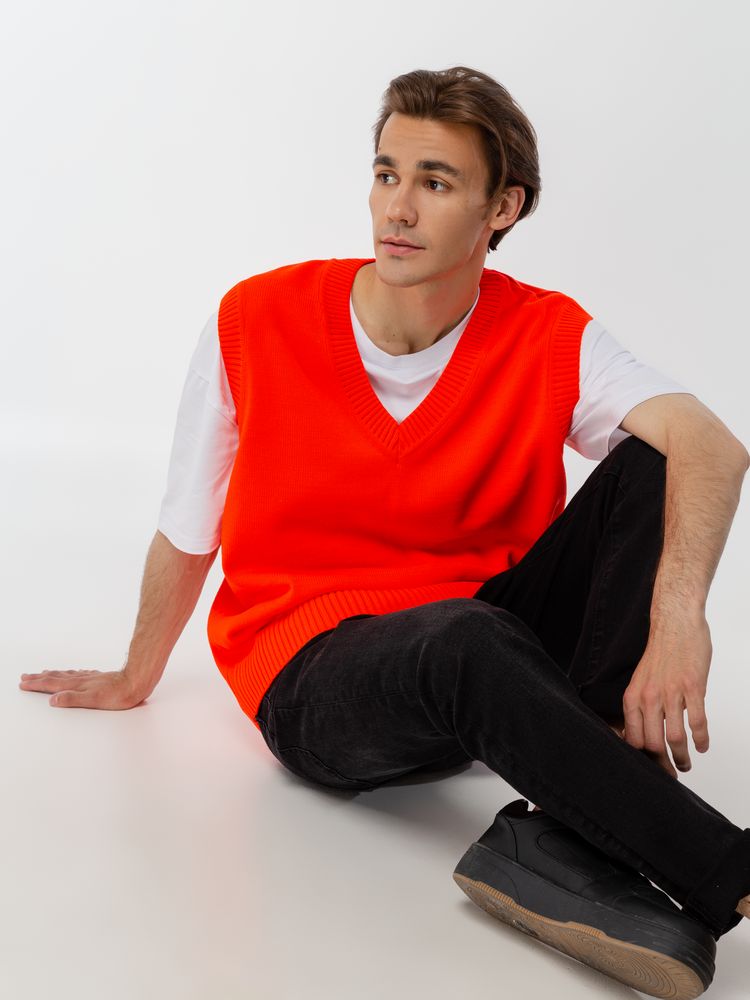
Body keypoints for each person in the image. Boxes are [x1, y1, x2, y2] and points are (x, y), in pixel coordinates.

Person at [19, 66, 750, 997]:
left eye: (435, 182)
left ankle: (565, 835)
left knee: (656, 456)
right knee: (466, 637)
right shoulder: (257, 318)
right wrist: (136, 673)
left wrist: (681, 618)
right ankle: (725, 870)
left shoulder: (546, 332)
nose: (397, 208)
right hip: (317, 677)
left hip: (490, 650)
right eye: (386, 174)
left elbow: (714, 446)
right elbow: (188, 522)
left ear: (502, 208)